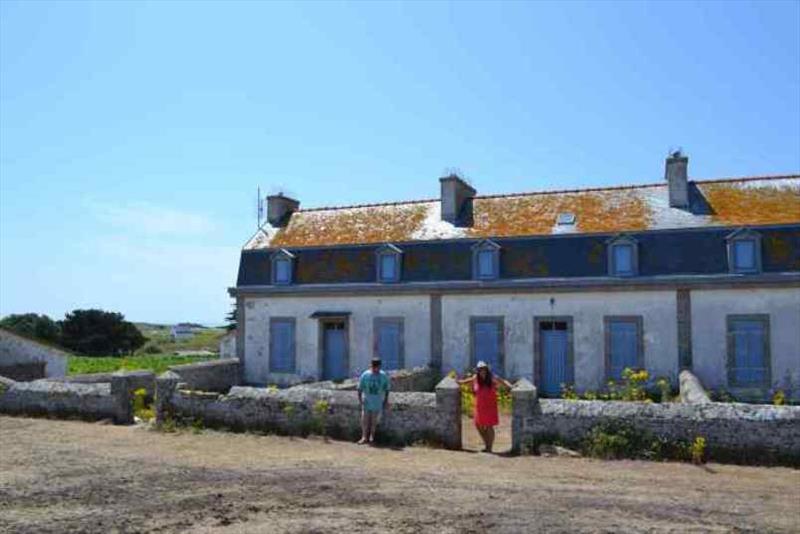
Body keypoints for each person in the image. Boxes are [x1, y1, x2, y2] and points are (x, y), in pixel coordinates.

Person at [457, 361, 513, 453]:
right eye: (480, 369)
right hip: (479, 406)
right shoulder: (476, 378)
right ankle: (486, 444)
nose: (482, 371)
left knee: (489, 426)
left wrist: (511, 386)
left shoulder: (492, 377)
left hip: (490, 406)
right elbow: (467, 381)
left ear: (487, 369)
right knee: (478, 424)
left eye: (484, 369)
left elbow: (502, 381)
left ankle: (489, 447)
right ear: (478, 371)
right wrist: (458, 382)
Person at [357, 358, 390, 445]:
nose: (376, 369)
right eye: (375, 367)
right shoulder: (365, 375)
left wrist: (386, 400)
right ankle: (364, 437)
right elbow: (360, 388)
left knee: (374, 421)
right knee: (365, 420)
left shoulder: (383, 376)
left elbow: (387, 388)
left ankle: (372, 437)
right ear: (371, 366)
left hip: (377, 402)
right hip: (367, 401)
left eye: (378, 367)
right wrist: (360, 399)